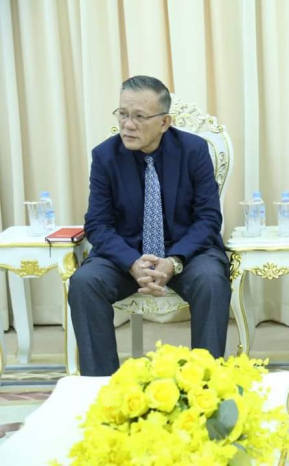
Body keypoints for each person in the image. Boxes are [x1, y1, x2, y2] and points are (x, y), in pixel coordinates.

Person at [69, 75, 231, 376]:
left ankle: (205, 383)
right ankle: (99, 384)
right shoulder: (105, 156)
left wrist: (173, 260)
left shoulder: (194, 151)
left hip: (186, 254)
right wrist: (131, 262)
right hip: (125, 256)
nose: (128, 125)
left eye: (139, 117)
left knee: (211, 281)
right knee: (84, 283)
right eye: (123, 114)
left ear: (164, 122)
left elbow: (208, 218)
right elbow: (98, 224)